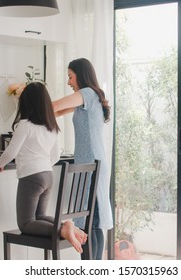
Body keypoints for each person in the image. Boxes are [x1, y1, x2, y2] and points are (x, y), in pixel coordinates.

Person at [0, 82, 87, 253]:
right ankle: (66, 225)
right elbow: (54, 156)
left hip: (32, 176)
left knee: (26, 223)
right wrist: (42, 166)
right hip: (48, 176)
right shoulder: (52, 127)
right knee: (39, 217)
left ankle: (63, 229)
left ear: (25, 103)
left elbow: (11, 152)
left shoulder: (25, 125)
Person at [52, 58, 114, 260]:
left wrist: (31, 103)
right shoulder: (87, 98)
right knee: (91, 223)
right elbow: (58, 111)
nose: (69, 82)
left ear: (81, 74)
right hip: (91, 164)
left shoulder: (86, 94)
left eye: (70, 77)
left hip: (91, 165)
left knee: (91, 223)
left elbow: (54, 105)